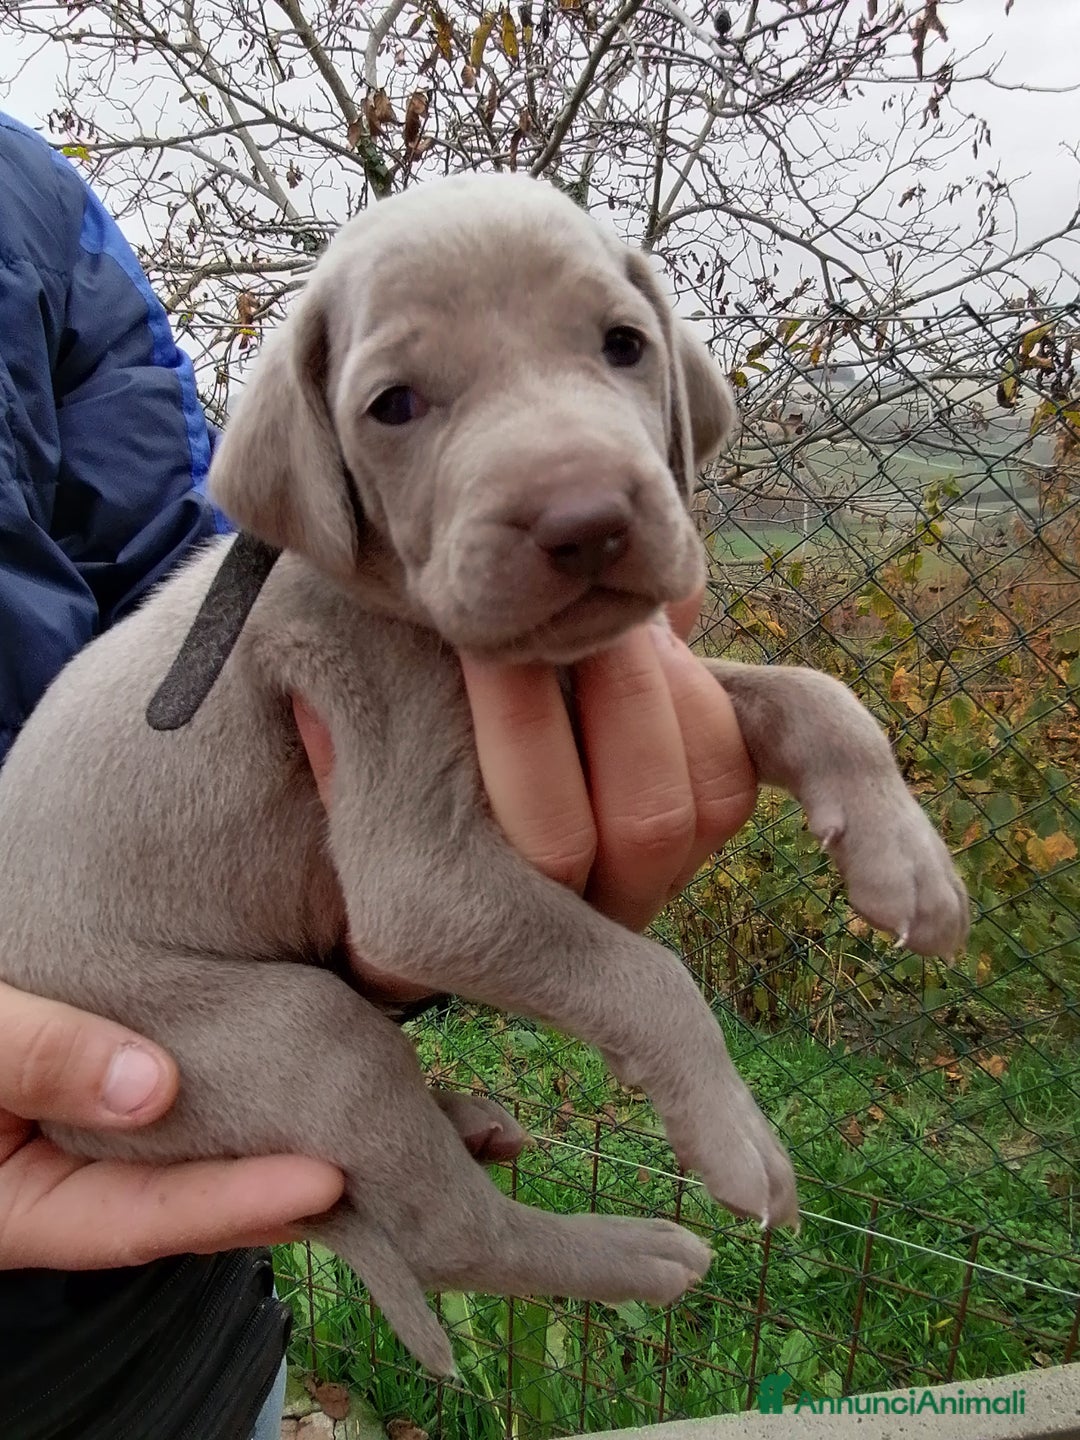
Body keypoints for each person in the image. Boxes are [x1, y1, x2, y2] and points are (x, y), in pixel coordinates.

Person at [0, 110, 756, 1436]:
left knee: (328, 1044)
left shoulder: (28, 212)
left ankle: (348, 1131)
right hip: (135, 1010)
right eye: (400, 402)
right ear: (327, 462)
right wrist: (669, 1034)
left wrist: (827, 747)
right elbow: (411, 898)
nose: (573, 483)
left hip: (168, 1350)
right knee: (320, 1050)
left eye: (617, 346)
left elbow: (197, 618)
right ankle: (468, 1232)